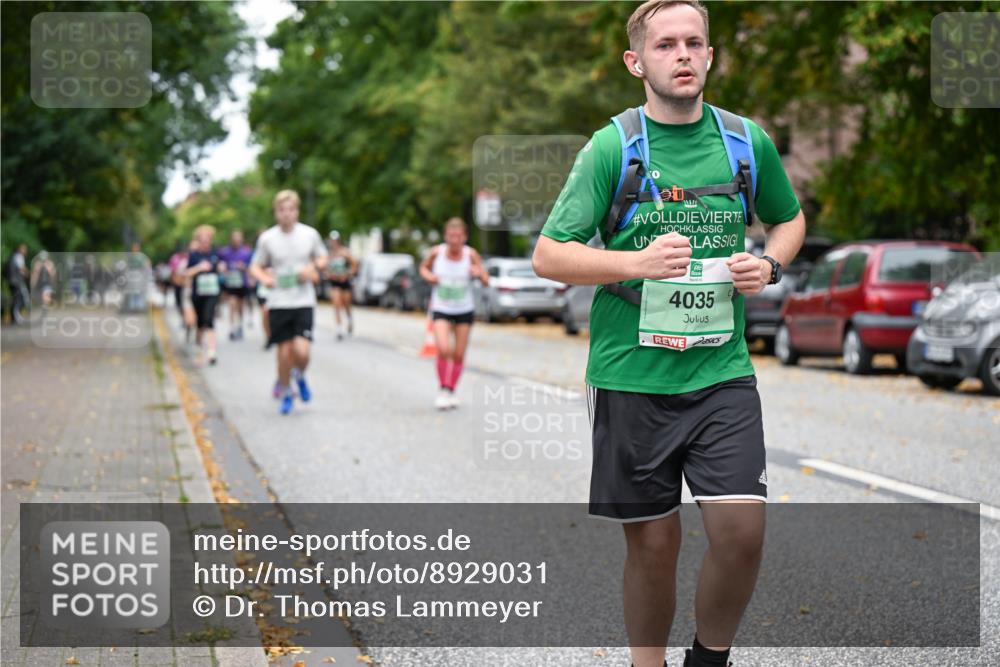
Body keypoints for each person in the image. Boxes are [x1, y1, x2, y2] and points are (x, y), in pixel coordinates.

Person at [531, 2, 806, 666]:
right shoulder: (612, 148)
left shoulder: (746, 142)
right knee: (655, 546)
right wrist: (635, 263)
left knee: (741, 533)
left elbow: (789, 219)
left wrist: (769, 264)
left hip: (721, 371)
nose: (682, 54)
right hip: (632, 373)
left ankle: (708, 658)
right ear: (636, 62)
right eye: (665, 45)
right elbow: (549, 254)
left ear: (710, 55)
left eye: (693, 42)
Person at [249, 190, 328, 415]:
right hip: (279, 301)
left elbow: (322, 258)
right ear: (276, 212)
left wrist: (312, 268)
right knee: (284, 352)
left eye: (291, 209)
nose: (286, 214)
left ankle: (299, 375)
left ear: (297, 211)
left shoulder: (309, 234)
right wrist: (265, 279)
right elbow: (255, 266)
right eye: (282, 210)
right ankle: (286, 392)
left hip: (303, 300)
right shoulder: (268, 238)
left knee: (302, 351)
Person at [419, 217, 488, 410]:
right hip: (441, 307)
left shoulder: (470, 255)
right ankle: (443, 389)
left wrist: (478, 274)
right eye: (451, 236)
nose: (454, 240)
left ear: (464, 237)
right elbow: (423, 268)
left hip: (464, 309)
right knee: (443, 348)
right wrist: (429, 276)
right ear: (445, 236)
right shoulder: (437, 252)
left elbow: (486, 280)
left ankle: (451, 390)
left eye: (458, 236)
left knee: (458, 353)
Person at [184, 226, 226, 366]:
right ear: (198, 241)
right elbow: (187, 273)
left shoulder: (215, 254)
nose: (205, 243)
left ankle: (212, 352)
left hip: (212, 292)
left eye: (207, 240)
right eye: (202, 240)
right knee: (200, 323)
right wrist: (199, 268)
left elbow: (222, 268)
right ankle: (199, 348)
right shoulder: (194, 255)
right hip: (198, 293)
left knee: (209, 319)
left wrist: (222, 268)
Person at [218, 230, 253, 341]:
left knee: (240, 306)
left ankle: (240, 325)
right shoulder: (225, 252)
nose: (236, 240)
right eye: (235, 238)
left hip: (242, 282)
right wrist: (222, 267)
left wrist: (244, 268)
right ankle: (232, 328)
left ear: (242, 239)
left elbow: (252, 267)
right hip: (230, 282)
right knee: (232, 303)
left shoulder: (246, 252)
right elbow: (220, 263)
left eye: (239, 238)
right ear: (231, 239)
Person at [324, 230, 358, 340]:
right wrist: (330, 275)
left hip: (345, 281)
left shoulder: (345, 252)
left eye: (335, 240)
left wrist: (347, 274)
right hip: (334, 282)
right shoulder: (329, 254)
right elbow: (325, 269)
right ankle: (339, 328)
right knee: (336, 303)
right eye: (331, 240)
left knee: (346, 304)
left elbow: (354, 265)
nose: (333, 242)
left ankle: (349, 319)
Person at [5, 244, 29, 323]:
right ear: (20, 249)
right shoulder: (19, 257)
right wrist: (28, 273)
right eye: (24, 249)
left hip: (12, 281)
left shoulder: (13, 257)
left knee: (15, 299)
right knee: (19, 299)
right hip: (16, 282)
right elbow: (21, 268)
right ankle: (15, 317)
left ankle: (14, 317)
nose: (25, 251)